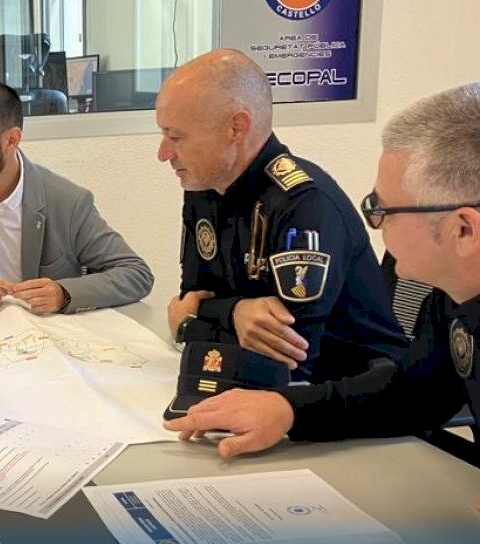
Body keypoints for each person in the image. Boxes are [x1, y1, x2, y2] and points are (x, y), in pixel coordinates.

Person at [165, 80, 480, 544]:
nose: (374, 226)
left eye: (383, 210)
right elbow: (415, 393)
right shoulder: (459, 295)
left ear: (464, 230)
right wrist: (288, 410)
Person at [159, 49, 406, 381]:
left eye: (176, 137)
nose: (163, 153)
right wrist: (235, 312)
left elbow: (287, 362)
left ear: (236, 128)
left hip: (353, 390)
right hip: (266, 387)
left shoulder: (304, 204)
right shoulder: (204, 187)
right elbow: (193, 296)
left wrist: (190, 327)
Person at [0, 80, 152, 314]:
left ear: (11, 140)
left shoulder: (67, 200)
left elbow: (136, 274)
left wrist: (63, 294)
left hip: (44, 339)